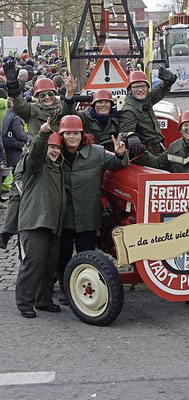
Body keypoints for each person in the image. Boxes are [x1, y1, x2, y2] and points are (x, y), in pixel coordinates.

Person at [56, 115, 128, 305]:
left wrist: (120, 154)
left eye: (76, 133)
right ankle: (65, 287)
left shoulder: (96, 152)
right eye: (67, 133)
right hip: (63, 214)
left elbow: (116, 164)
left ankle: (85, 286)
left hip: (87, 214)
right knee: (62, 254)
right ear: (61, 135)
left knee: (86, 253)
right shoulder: (56, 154)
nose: (72, 137)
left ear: (82, 134)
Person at [0, 61, 62, 249]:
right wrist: (12, 85)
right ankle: (7, 232)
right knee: (17, 191)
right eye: (42, 95)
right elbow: (19, 106)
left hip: (55, 159)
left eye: (50, 94)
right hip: (31, 159)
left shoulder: (62, 113)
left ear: (55, 94)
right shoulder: (33, 110)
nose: (46, 98)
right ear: (36, 97)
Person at [15, 119, 65, 318]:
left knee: (48, 265)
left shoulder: (58, 168)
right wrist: (43, 134)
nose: (54, 151)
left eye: (57, 148)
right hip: (34, 223)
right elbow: (35, 153)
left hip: (52, 224)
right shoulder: (37, 166)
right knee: (33, 263)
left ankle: (43, 300)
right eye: (51, 147)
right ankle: (24, 302)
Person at [118, 68, 176, 157]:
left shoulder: (146, 100)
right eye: (136, 87)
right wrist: (131, 136)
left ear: (147, 88)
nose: (140, 90)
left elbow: (159, 92)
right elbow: (124, 132)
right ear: (130, 90)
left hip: (157, 150)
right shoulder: (129, 110)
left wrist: (167, 82)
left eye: (143, 86)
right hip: (145, 155)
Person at [63, 74, 119, 144]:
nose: (103, 105)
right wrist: (69, 94)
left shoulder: (117, 118)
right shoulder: (85, 116)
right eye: (100, 102)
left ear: (111, 105)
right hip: (89, 152)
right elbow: (69, 116)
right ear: (94, 105)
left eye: (107, 102)